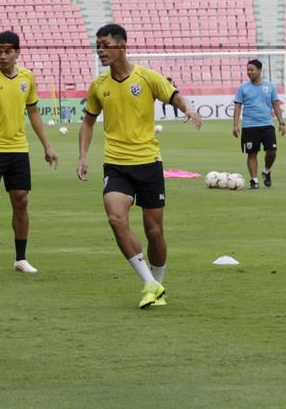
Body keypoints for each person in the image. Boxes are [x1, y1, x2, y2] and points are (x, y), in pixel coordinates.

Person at [77, 24, 202, 309]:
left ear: (122, 45)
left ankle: (158, 284)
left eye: (105, 44)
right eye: (98, 45)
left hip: (148, 163)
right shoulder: (98, 85)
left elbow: (174, 96)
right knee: (116, 219)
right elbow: (87, 122)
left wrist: (190, 109)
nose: (101, 50)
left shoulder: (147, 77)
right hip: (116, 165)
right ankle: (149, 283)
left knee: (154, 231)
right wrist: (83, 156)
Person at [0, 31, 59, 274]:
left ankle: (20, 258)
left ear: (18, 52)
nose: (3, 56)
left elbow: (34, 113)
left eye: (8, 51)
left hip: (19, 149)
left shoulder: (27, 78)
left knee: (21, 201)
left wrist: (47, 146)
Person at [233, 59, 285, 189]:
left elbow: (276, 105)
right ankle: (254, 181)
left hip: (267, 125)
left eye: (252, 70)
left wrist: (281, 122)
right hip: (249, 126)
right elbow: (238, 106)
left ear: (259, 70)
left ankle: (266, 170)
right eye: (248, 70)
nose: (249, 72)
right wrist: (235, 125)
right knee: (252, 153)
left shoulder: (270, 87)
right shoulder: (243, 88)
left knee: (272, 151)